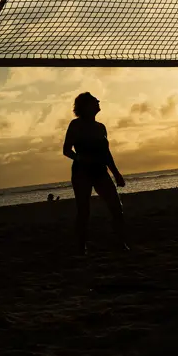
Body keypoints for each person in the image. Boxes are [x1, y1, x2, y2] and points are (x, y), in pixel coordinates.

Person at [63, 92, 128, 254]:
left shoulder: (101, 127)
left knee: (116, 207)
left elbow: (106, 153)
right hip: (81, 172)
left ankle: (121, 243)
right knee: (84, 210)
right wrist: (80, 158)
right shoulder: (75, 125)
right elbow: (66, 150)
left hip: (100, 171)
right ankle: (81, 247)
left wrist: (116, 173)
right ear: (85, 106)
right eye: (94, 101)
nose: (98, 102)